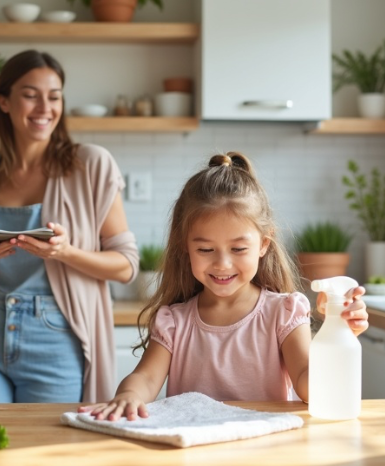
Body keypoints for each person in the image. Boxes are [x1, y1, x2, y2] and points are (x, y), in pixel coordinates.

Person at [80, 152, 368, 421]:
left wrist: (339, 334)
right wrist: (129, 395)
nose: (222, 264)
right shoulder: (175, 321)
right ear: (186, 247)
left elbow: (309, 383)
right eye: (206, 250)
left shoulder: (284, 312)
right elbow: (145, 378)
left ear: (263, 244)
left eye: (239, 248)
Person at [0, 49, 138, 403]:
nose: (44, 108)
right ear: (3, 101)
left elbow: (126, 266)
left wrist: (65, 252)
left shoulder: (91, 165)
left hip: (58, 339)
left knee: (44, 454)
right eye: (30, 95)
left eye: (54, 97)